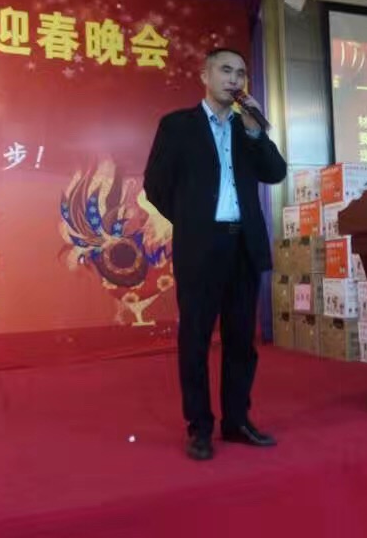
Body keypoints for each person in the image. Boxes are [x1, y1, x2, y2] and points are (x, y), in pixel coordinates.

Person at [143, 47, 287, 460]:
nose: (234, 79)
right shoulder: (177, 126)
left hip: (244, 246)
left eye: (241, 73)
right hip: (201, 248)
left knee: (241, 340)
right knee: (196, 339)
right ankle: (199, 426)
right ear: (205, 75)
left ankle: (237, 421)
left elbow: (275, 173)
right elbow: (156, 185)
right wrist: (192, 222)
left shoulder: (247, 127)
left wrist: (256, 133)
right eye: (225, 70)